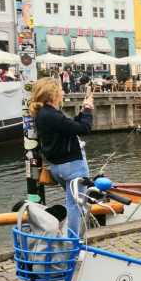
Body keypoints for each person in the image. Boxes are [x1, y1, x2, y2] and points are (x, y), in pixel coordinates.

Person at [30, 77, 94, 235]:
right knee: (76, 204)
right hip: (72, 166)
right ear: (52, 94)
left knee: (73, 201)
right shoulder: (51, 114)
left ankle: (71, 235)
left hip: (57, 167)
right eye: (60, 90)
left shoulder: (44, 114)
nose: (63, 92)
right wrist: (88, 111)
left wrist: (81, 112)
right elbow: (84, 128)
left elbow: (68, 127)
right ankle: (74, 241)